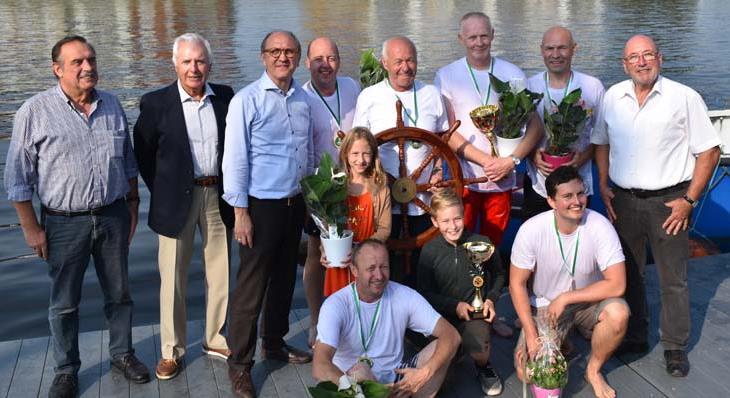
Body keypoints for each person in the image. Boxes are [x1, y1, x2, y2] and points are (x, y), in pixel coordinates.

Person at [4, 35, 150, 397]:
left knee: (120, 294)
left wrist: (132, 206)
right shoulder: (34, 111)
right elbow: (17, 179)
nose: (88, 67)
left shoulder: (113, 104)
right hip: (62, 222)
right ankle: (66, 369)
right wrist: (31, 228)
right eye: (77, 62)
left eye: (91, 59)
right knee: (65, 303)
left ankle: (122, 353)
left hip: (114, 215)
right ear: (57, 70)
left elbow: (128, 162)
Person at [591, 34, 721, 377]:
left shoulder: (684, 97)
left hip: (669, 201)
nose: (642, 62)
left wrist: (689, 200)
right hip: (623, 198)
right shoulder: (612, 98)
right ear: (625, 64)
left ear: (660, 59)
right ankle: (634, 333)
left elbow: (709, 151)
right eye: (634, 57)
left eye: (648, 55)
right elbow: (600, 143)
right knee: (628, 272)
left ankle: (675, 346)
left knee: (672, 277)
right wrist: (603, 183)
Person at [133, 33, 234, 380]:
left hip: (217, 195)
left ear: (209, 63)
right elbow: (144, 154)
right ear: (175, 64)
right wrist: (165, 188)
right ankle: (171, 351)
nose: (194, 68)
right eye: (187, 61)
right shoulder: (155, 103)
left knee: (219, 271)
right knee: (172, 278)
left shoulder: (225, 97)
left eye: (200, 61)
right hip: (176, 199)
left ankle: (216, 337)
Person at [222, 30, 314, 398]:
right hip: (260, 207)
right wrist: (240, 212)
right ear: (263, 56)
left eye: (289, 51)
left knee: (283, 280)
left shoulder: (303, 100)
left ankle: (273, 342)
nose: (282, 57)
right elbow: (235, 160)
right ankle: (239, 365)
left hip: (295, 204)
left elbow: (306, 154)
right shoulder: (247, 100)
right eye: (275, 51)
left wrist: (310, 200)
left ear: (297, 57)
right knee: (250, 289)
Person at [510, 166, 629, 398]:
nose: (577, 201)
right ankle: (560, 343)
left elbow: (617, 285)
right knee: (527, 372)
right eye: (567, 196)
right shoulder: (531, 230)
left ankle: (593, 371)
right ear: (551, 201)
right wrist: (531, 333)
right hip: (546, 305)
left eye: (581, 193)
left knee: (618, 313)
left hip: (588, 303)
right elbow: (516, 284)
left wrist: (566, 297)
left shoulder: (600, 226)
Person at [435, 11, 543, 246]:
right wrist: (485, 160)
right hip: (463, 176)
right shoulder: (446, 75)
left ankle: (487, 282)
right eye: (472, 37)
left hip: (502, 174)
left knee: (491, 242)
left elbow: (536, 126)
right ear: (460, 39)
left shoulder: (512, 73)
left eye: (484, 35)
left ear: (493, 35)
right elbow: (446, 132)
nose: (479, 42)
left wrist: (511, 160)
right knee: (459, 240)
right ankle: (463, 282)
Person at [352, 36, 448, 283]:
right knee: (384, 270)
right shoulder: (369, 96)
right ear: (384, 63)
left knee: (424, 271)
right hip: (382, 204)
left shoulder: (432, 95)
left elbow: (441, 144)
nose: (405, 67)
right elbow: (359, 149)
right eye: (398, 61)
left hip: (425, 201)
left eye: (410, 60)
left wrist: (438, 172)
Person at [312, 239, 461, 398]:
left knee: (442, 348)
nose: (379, 275)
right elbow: (320, 366)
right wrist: (355, 389)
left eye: (384, 267)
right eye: (371, 268)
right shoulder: (336, 304)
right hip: (353, 385)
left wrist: (424, 373)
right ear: (354, 270)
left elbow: (452, 335)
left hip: (396, 381)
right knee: (361, 370)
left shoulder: (405, 295)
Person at [301, 37, 361, 348]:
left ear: (339, 60)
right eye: (318, 59)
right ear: (307, 63)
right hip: (321, 187)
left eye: (332, 57)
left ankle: (355, 316)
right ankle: (315, 320)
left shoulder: (352, 87)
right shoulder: (300, 97)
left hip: (355, 183)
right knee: (316, 254)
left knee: (357, 251)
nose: (326, 64)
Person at [417, 189, 505, 396]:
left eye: (457, 218)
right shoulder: (429, 251)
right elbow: (424, 292)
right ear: (435, 221)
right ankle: (454, 354)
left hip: (474, 316)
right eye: (445, 221)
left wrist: (491, 299)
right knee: (441, 385)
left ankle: (483, 365)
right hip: (440, 318)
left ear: (464, 214)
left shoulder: (482, 242)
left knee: (479, 342)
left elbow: (500, 275)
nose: (453, 226)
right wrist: (453, 306)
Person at [523, 26, 605, 219]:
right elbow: (518, 134)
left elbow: (602, 136)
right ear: (542, 50)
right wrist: (532, 156)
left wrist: (583, 157)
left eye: (562, 48)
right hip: (539, 184)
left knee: (575, 238)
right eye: (550, 49)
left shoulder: (592, 87)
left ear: (574, 49)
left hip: (577, 186)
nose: (556, 54)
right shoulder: (529, 86)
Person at [320, 127, 391, 294]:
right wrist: (325, 249)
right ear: (345, 154)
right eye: (355, 154)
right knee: (341, 308)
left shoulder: (380, 189)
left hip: (368, 263)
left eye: (366, 154)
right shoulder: (335, 186)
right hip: (340, 262)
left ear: (373, 155)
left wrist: (359, 250)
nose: (361, 159)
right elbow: (326, 226)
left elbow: (384, 229)